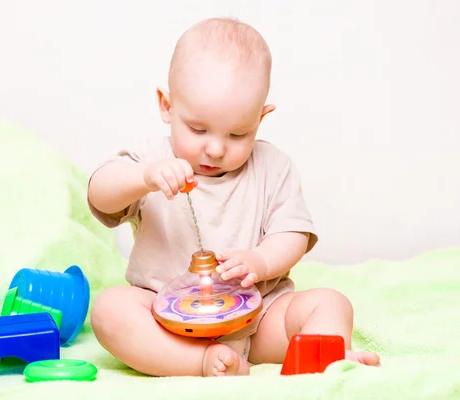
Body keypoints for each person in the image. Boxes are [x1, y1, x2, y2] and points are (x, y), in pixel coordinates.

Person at [87, 17, 380, 377]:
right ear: (167, 106)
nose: (215, 148)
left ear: (260, 118)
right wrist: (144, 178)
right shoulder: (152, 161)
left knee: (330, 302)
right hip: (167, 320)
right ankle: (200, 363)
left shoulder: (273, 167)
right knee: (110, 309)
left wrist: (260, 261)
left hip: (258, 319)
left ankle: (324, 360)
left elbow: (294, 235)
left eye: (238, 134)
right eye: (198, 129)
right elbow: (101, 194)